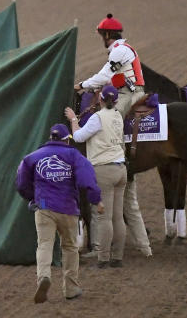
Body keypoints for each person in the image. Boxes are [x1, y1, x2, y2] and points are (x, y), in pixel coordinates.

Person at [73, 14, 151, 257]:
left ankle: (117, 155)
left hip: (130, 93)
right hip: (127, 88)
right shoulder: (122, 49)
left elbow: (106, 75)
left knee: (108, 118)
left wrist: (82, 85)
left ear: (107, 35)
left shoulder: (118, 51)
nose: (102, 40)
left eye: (101, 36)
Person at [15, 123, 102, 303]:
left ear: (50, 137)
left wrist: (33, 197)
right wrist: (96, 199)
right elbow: (87, 179)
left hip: (44, 207)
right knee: (70, 247)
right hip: (68, 208)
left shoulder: (33, 157)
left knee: (44, 244)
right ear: (66, 139)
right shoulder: (74, 155)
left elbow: (21, 183)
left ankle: (44, 277)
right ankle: (70, 288)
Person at [64, 85, 126, 268]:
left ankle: (103, 258)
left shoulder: (97, 118)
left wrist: (73, 119)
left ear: (100, 99)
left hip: (103, 169)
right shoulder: (118, 116)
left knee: (103, 217)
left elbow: (78, 137)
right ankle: (117, 257)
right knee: (117, 217)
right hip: (120, 168)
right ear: (115, 101)